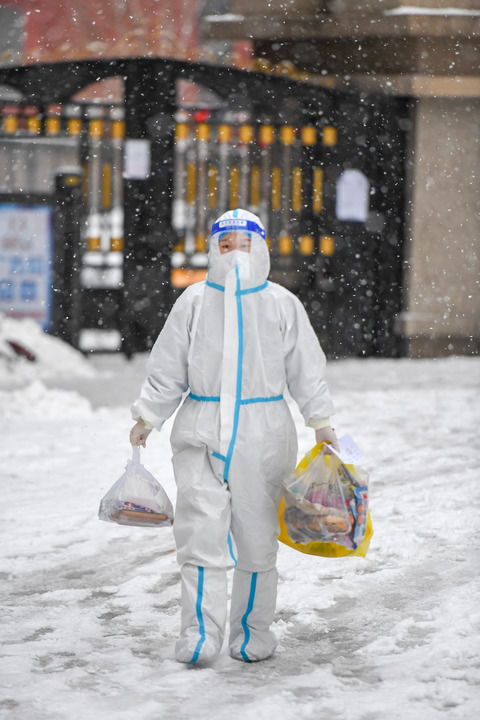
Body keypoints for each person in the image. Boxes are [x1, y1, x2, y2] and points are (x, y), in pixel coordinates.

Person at [130, 208, 338, 665]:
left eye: (243, 244)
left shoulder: (282, 304)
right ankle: (200, 633)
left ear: (260, 247)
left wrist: (320, 421)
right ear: (213, 250)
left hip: (264, 432)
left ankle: (253, 631)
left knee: (258, 536)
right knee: (199, 531)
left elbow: (307, 369)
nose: (234, 254)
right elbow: (169, 364)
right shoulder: (195, 302)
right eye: (225, 245)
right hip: (200, 425)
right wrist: (149, 414)